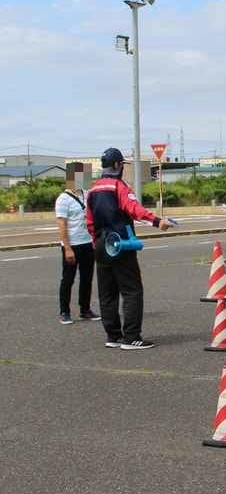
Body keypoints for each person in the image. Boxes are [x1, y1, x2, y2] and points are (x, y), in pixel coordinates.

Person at [86, 148, 173, 350]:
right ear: (117, 165)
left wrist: (96, 242)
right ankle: (132, 337)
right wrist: (157, 221)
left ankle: (113, 335)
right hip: (120, 243)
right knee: (132, 290)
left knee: (107, 293)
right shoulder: (119, 186)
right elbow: (134, 209)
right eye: (122, 164)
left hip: (100, 243)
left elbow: (89, 221)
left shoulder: (93, 189)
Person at [55, 169, 99, 325]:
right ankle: (64, 312)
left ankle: (85, 310)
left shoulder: (87, 194)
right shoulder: (63, 199)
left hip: (88, 243)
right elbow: (62, 225)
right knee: (68, 279)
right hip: (72, 245)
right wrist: (67, 248)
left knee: (87, 279)